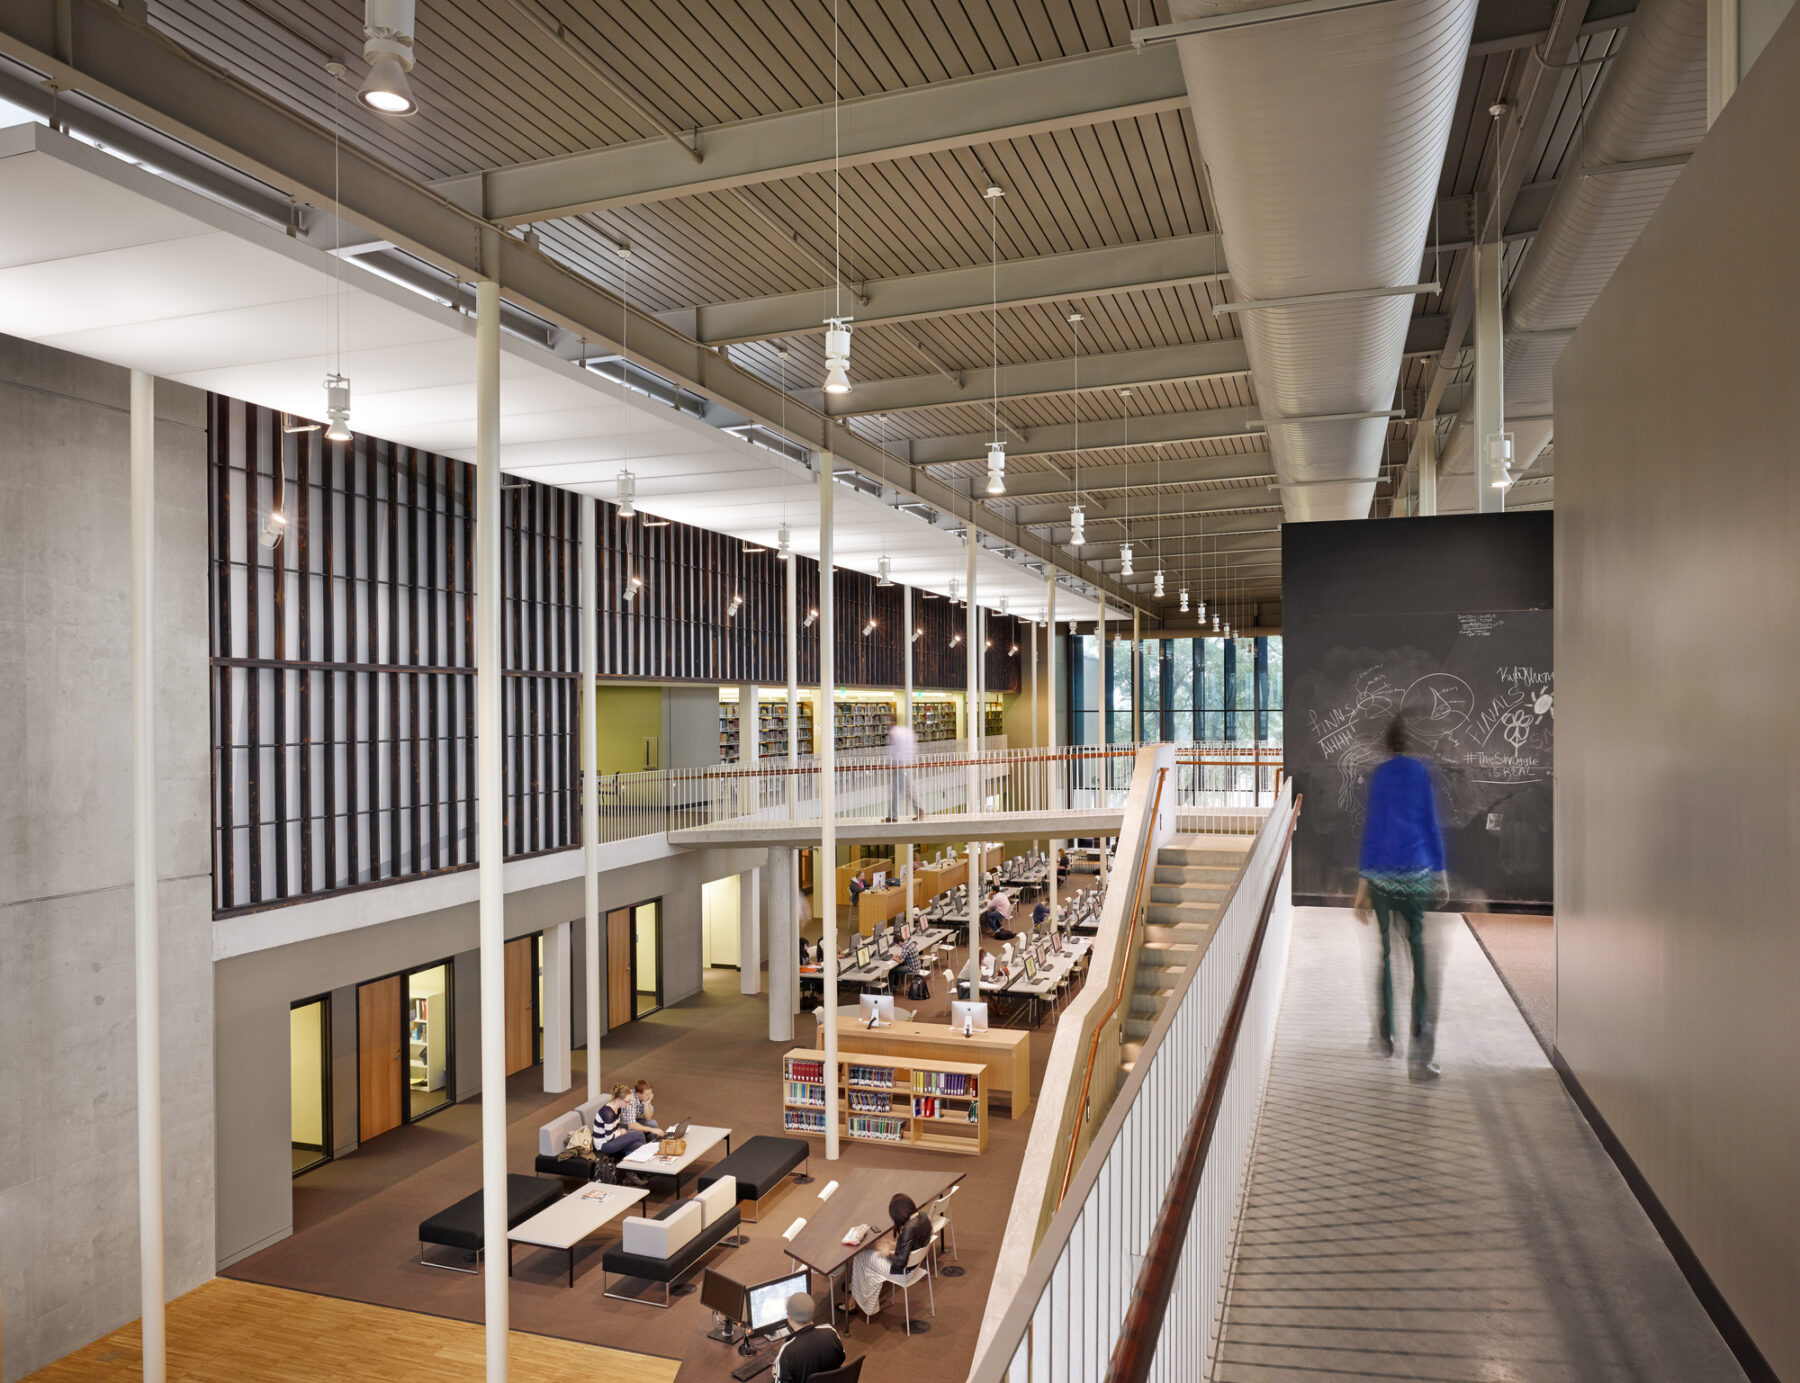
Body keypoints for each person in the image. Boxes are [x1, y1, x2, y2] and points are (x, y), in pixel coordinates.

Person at [1354, 716, 1447, 1080]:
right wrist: (1440, 872)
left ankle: (1385, 1035)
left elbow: (1373, 828)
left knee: (1385, 954)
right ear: (1406, 743)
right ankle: (1420, 1059)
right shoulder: (1419, 772)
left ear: (1385, 744)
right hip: (1416, 874)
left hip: (1381, 878)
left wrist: (1362, 885)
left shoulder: (1379, 777)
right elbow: (1429, 823)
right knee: (1419, 959)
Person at [848, 1193, 934, 1318]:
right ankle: (856, 1288)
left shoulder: (909, 1229)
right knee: (874, 1252)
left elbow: (900, 1262)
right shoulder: (923, 1217)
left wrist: (887, 1253)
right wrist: (893, 1245)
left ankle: (854, 1301)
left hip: (903, 1272)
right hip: (915, 1265)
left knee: (861, 1256)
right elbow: (913, 1244)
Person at [772, 1292, 844, 1382]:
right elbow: (842, 1360)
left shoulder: (787, 1351)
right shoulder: (831, 1331)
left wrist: (776, 1373)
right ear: (812, 1313)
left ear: (789, 1319)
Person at [592, 1084, 650, 1160]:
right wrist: (619, 1132)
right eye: (627, 1102)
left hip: (613, 1139)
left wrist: (619, 1132)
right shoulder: (608, 1113)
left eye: (629, 1101)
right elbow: (609, 1137)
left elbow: (615, 1127)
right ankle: (647, 1159)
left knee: (637, 1145)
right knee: (639, 1134)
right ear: (618, 1099)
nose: (628, 1104)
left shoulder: (619, 1108)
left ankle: (631, 1167)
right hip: (604, 1145)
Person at [885, 720, 920, 821]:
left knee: (896, 791)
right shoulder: (909, 732)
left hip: (899, 764)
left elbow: (893, 750)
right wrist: (912, 760)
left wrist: (891, 765)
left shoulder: (893, 733)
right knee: (910, 788)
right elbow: (914, 747)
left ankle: (893, 816)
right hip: (908, 763)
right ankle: (920, 810)